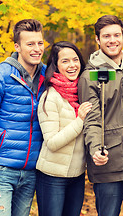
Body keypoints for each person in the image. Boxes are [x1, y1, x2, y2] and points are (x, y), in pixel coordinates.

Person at [78, 15, 123, 216]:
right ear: (98, 40)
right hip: (108, 163)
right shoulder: (89, 76)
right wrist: (94, 149)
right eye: (106, 36)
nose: (112, 40)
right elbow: (91, 120)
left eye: (117, 35)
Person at [0, 19, 46, 216]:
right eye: (30, 44)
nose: (36, 49)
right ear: (17, 47)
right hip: (1, 169)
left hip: (31, 170)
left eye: (40, 43)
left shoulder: (48, 76)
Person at [35, 41, 92, 216]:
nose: (72, 65)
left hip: (77, 175)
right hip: (52, 176)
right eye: (65, 61)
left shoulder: (82, 93)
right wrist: (79, 120)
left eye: (75, 60)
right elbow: (51, 142)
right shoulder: (50, 97)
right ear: (56, 65)